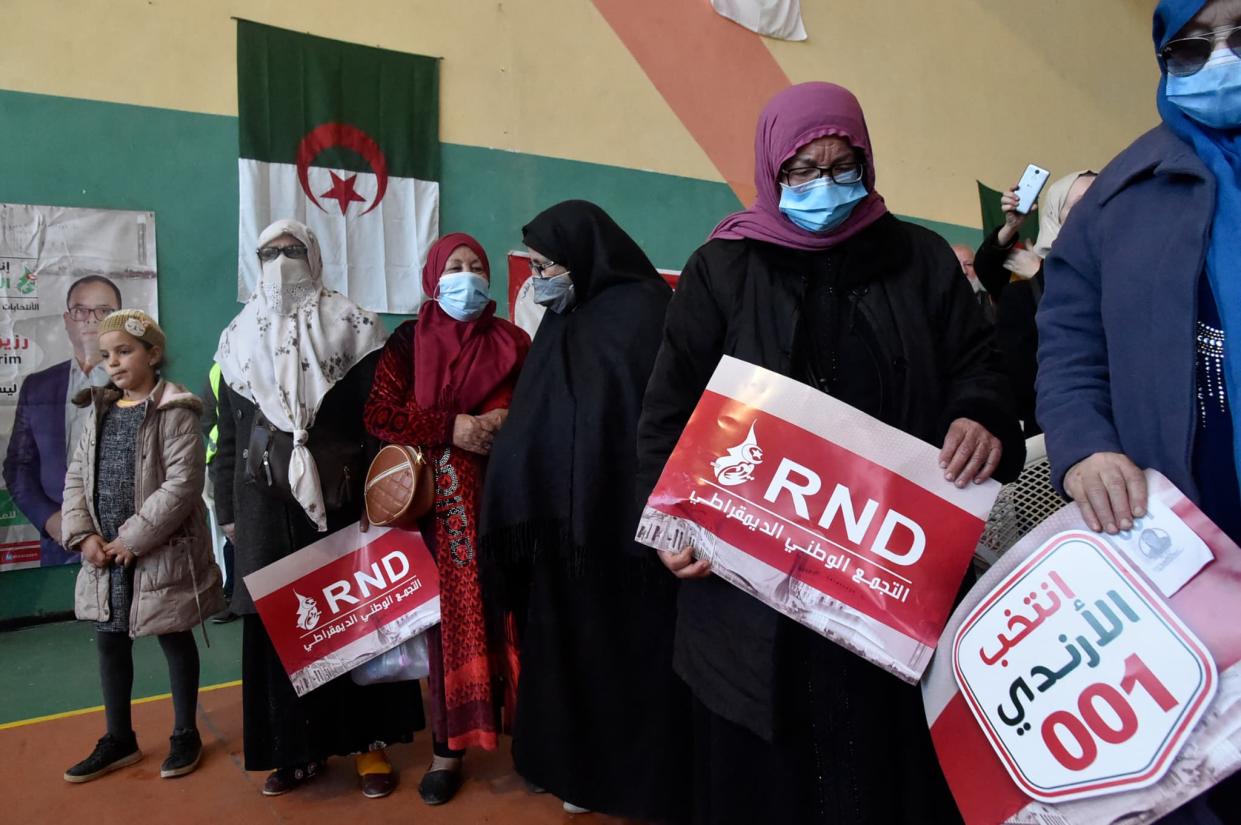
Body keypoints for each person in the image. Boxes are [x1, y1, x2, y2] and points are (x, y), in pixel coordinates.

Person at [636, 82, 1025, 825]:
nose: (825, 185)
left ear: (867, 163)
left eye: (843, 165)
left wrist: (979, 414)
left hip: (885, 574)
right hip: (751, 593)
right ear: (770, 170)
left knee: (884, 769)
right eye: (802, 170)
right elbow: (668, 412)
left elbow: (981, 362)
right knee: (770, 778)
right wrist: (668, 524)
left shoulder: (917, 259)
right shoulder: (724, 267)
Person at [1038, 3, 1241, 816]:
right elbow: (1067, 341)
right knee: (1202, 751)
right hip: (1181, 520)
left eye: (1239, 36)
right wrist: (1084, 445)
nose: (1220, 61)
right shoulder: (1120, 195)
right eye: (1191, 48)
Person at [480, 200, 689, 821]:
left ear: (583, 256)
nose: (540, 277)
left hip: (627, 536)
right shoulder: (565, 319)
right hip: (561, 533)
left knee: (629, 655)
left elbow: (654, 421)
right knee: (566, 651)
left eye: (548, 265)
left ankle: (629, 777)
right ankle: (569, 765)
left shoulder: (647, 315)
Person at [213, 219, 422, 799]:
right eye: (269, 252)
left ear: (316, 255)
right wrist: (229, 509)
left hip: (344, 501)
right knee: (284, 630)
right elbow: (230, 433)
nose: (282, 262)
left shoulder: (355, 327)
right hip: (263, 510)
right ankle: (296, 749)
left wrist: (385, 497)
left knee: (354, 620)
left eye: (293, 250)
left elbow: (379, 422)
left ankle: (368, 747)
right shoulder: (236, 339)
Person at [364, 232, 530, 805]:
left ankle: (529, 743)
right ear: (434, 277)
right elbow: (379, 413)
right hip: (439, 510)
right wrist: (450, 427)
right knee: (449, 624)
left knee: (515, 613)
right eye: (455, 267)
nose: (467, 277)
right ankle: (447, 750)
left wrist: (506, 417)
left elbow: (541, 406)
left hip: (508, 502)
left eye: (476, 266)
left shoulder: (514, 340)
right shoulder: (408, 342)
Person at [60, 309, 225, 784]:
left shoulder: (176, 411)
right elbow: (76, 477)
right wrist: (84, 536)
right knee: (109, 641)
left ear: (153, 354)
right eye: (106, 354)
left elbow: (181, 485)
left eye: (125, 352)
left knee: (174, 636)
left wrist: (132, 539)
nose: (113, 363)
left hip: (157, 550)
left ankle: (184, 733)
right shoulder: (100, 411)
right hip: (105, 555)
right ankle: (119, 738)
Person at [4, 275, 120, 565]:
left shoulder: (144, 386)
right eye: (81, 311)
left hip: (124, 543)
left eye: (104, 311)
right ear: (68, 320)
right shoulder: (38, 387)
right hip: (60, 545)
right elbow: (18, 466)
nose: (91, 320)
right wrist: (51, 520)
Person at [974, 172, 1095, 436]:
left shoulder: (1119, 268)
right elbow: (988, 270)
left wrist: (1041, 272)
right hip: (1052, 424)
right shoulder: (1022, 283)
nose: (1093, 210)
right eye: (1080, 202)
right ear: (1055, 214)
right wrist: (1011, 226)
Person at [200, 361, 236, 623]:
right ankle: (232, 594)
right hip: (225, 462)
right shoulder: (219, 369)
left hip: (260, 459)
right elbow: (206, 419)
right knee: (233, 531)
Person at [951, 243, 996, 324]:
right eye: (956, 264)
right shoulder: (935, 305)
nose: (964, 271)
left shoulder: (994, 303)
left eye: (968, 264)